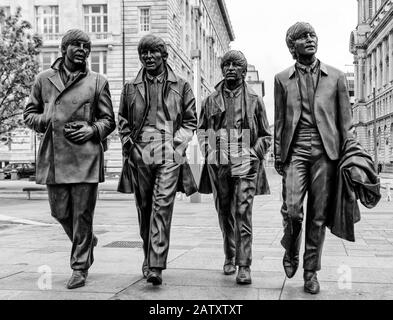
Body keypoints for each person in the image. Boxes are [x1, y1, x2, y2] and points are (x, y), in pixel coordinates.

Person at [24, 29, 116, 289]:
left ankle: (80, 266)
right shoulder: (44, 79)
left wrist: (92, 129)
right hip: (55, 155)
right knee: (59, 211)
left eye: (86, 46)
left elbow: (109, 120)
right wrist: (47, 119)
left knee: (83, 215)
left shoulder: (97, 81)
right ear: (63, 49)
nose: (83, 50)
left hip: (86, 155)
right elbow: (29, 113)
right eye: (77, 45)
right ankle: (86, 240)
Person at [274, 22, 354, 294]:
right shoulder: (282, 79)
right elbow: (280, 121)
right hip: (295, 151)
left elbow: (346, 124)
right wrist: (278, 156)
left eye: (312, 35)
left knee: (317, 216)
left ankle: (310, 271)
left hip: (325, 153)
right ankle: (291, 249)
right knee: (293, 210)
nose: (309, 39)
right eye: (302, 37)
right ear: (292, 46)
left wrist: (350, 156)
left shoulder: (337, 77)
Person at [117, 34, 197, 286]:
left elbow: (190, 121)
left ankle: (155, 264)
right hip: (140, 151)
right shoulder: (130, 87)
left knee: (162, 206)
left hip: (168, 152)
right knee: (145, 208)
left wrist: (177, 144)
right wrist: (128, 142)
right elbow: (122, 120)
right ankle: (148, 255)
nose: (148, 57)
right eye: (144, 53)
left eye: (153, 52)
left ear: (164, 55)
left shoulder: (181, 85)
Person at [198, 50, 271, 284]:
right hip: (220, 162)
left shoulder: (255, 100)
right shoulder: (210, 100)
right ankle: (229, 255)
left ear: (243, 70)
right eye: (226, 64)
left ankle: (244, 264)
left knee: (242, 212)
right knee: (224, 211)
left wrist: (253, 153)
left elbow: (265, 136)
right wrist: (210, 152)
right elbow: (202, 131)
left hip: (246, 162)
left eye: (235, 64)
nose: (230, 68)